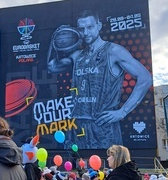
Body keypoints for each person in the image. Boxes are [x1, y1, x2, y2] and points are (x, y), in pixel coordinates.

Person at [47, 9, 152, 149]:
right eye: (81, 28)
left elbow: (145, 78)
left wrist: (123, 111)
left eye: (90, 27)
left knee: (107, 168)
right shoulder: (77, 55)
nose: (86, 32)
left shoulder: (113, 51)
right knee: (79, 169)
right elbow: (51, 67)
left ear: (99, 26)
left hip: (103, 126)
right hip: (78, 126)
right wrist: (54, 40)